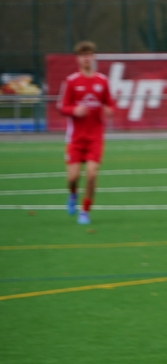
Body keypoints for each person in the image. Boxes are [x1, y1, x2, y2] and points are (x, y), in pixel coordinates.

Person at [58, 41, 115, 226]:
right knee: (73, 178)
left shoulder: (102, 81)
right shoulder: (71, 81)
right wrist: (74, 110)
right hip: (75, 138)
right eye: (83, 55)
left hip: (95, 137)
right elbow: (62, 106)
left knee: (91, 175)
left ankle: (85, 211)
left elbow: (110, 103)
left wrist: (109, 110)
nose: (86, 58)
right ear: (78, 59)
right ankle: (73, 194)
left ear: (93, 57)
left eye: (89, 55)